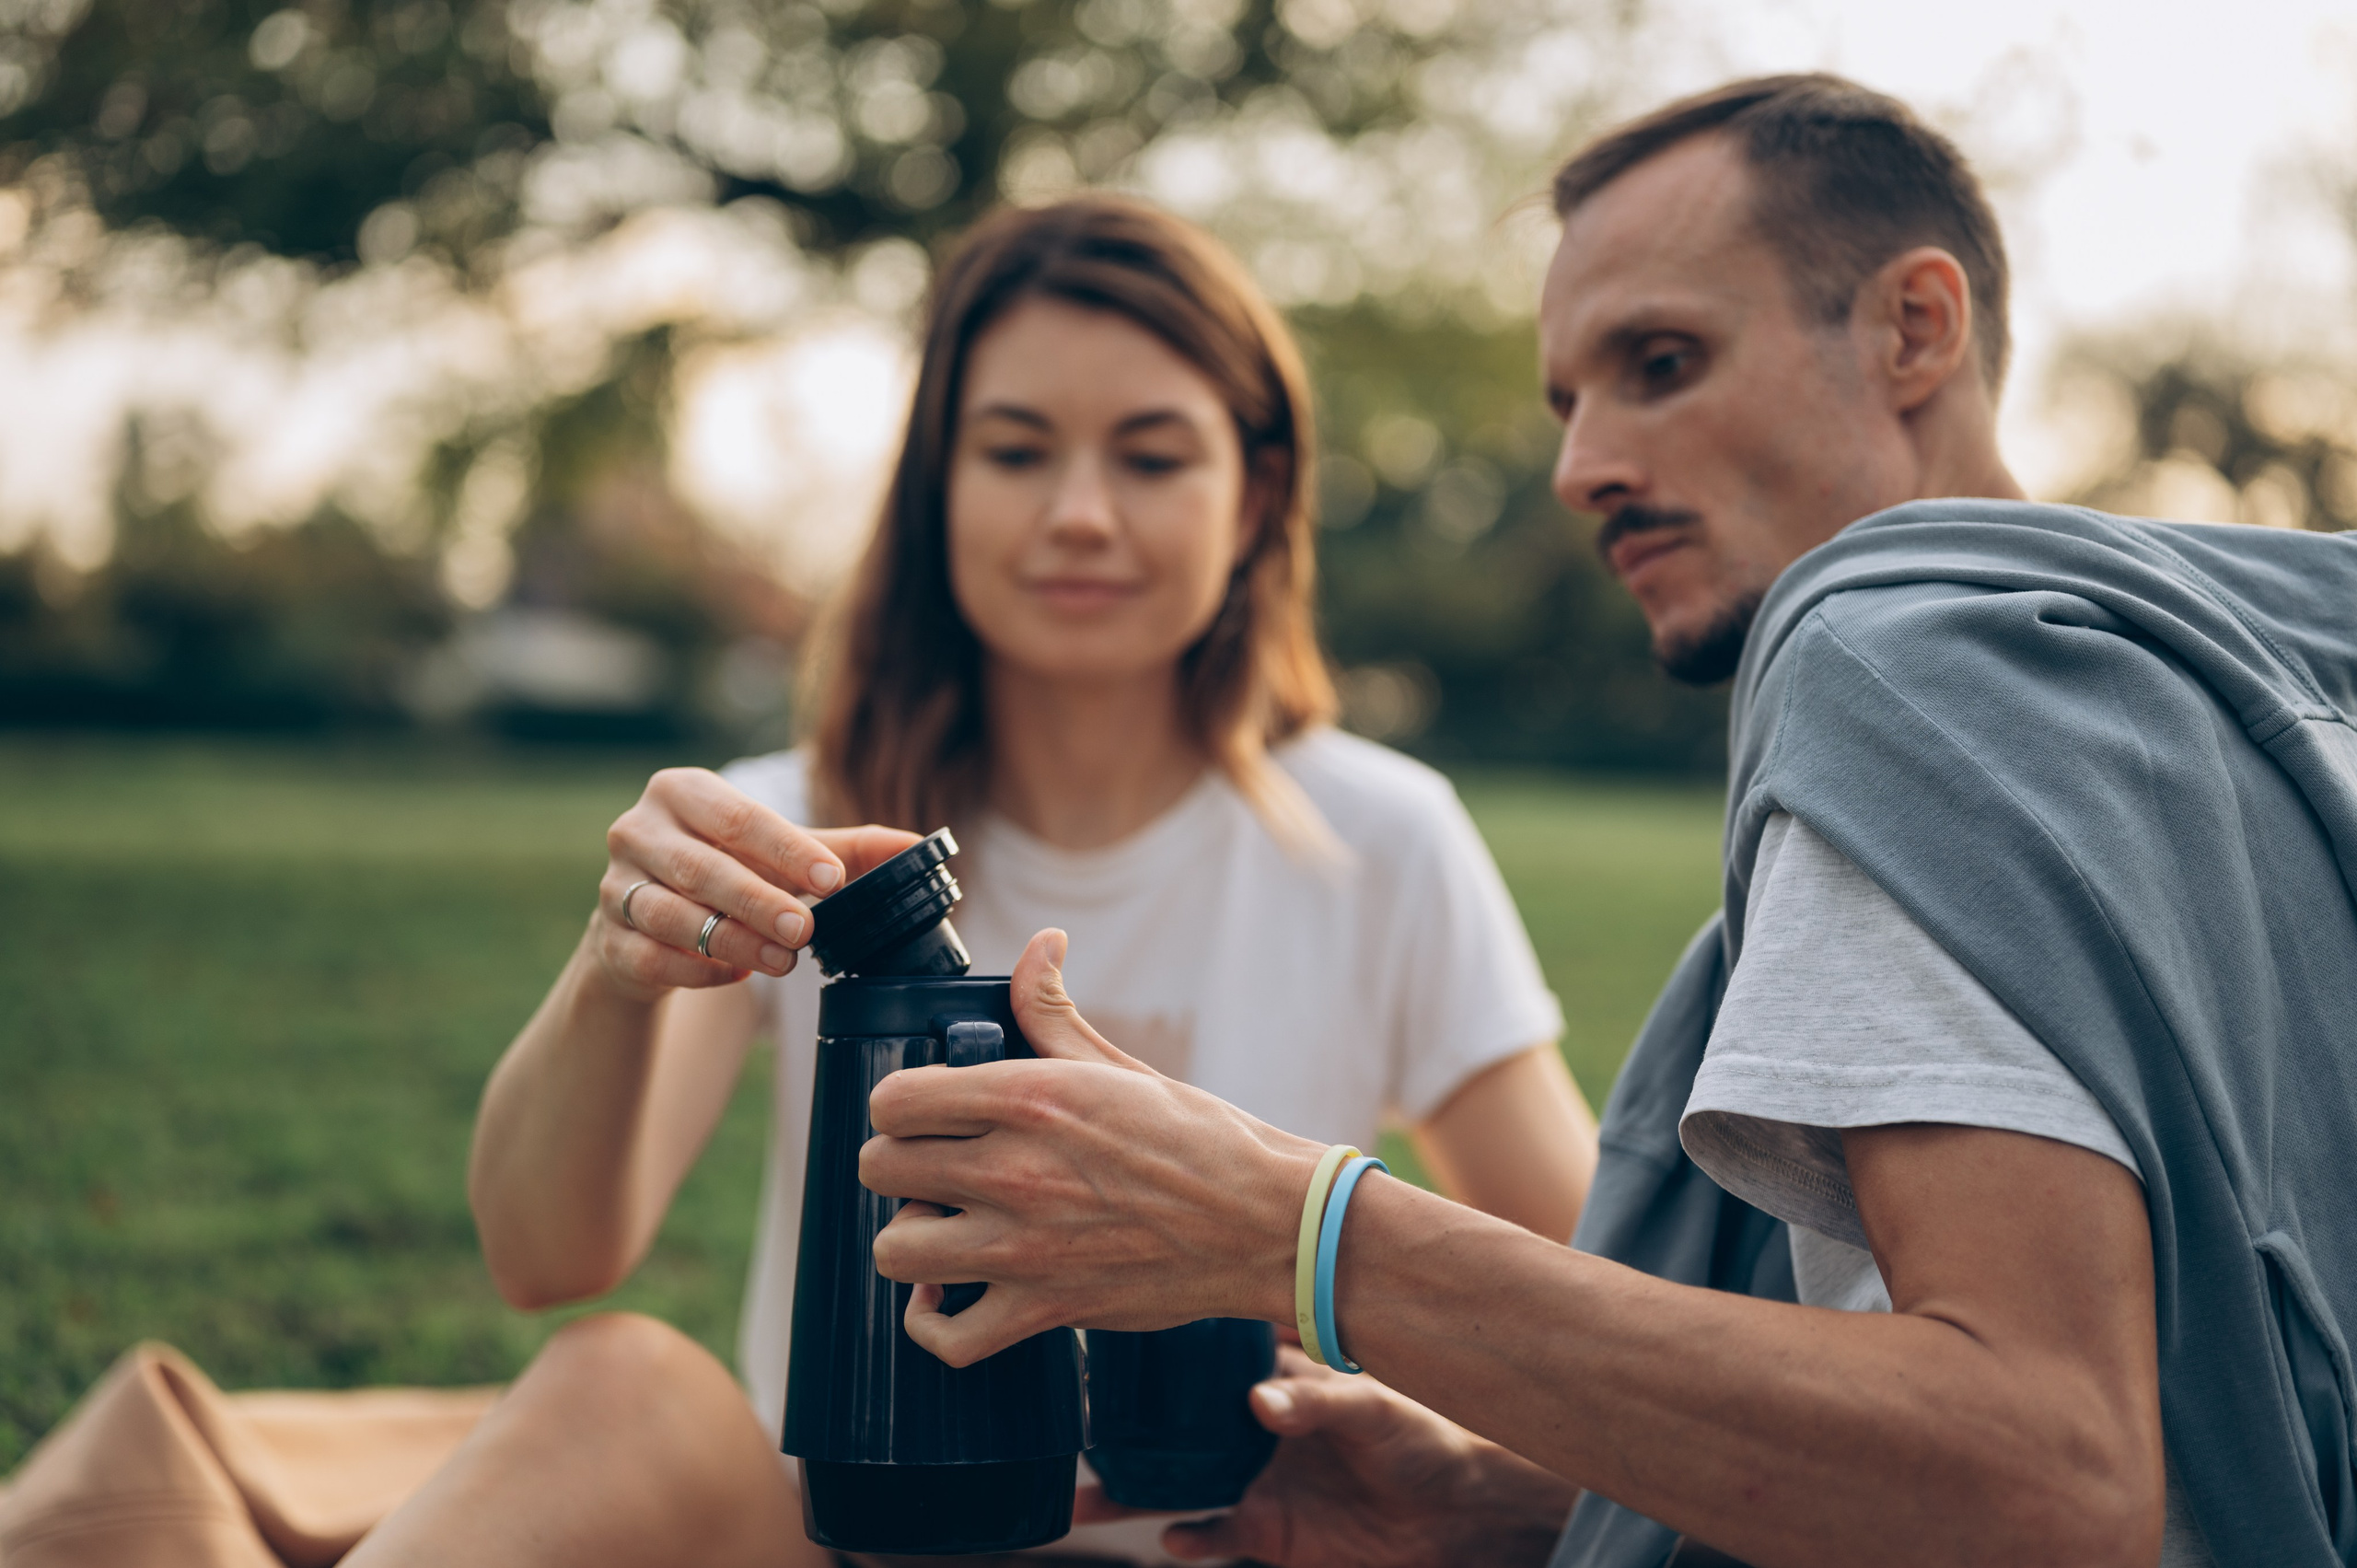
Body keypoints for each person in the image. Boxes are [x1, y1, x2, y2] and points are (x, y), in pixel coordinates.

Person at [849, 75, 2357, 1568]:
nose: (1581, 468)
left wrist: (1284, 1226)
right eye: (1572, 401)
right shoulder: (2204, 715)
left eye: (1662, 361)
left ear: (1916, 327)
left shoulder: (1899, 672)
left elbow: (2047, 1486)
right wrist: (1517, 1511)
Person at [343, 194, 1597, 1568]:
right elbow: (546, 1255)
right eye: (1015, 451)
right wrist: (615, 965)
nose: (1077, 515)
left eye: (1151, 455)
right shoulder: (791, 837)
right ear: (936, 486)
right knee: (615, 1387)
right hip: (855, 1539)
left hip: (1230, 1546)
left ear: (1257, 494)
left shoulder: (1381, 838)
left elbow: (1593, 1307)